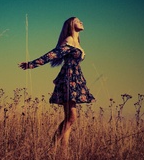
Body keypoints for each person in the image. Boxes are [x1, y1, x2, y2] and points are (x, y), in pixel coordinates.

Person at [18, 17, 95, 155]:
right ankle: (51, 148)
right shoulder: (68, 41)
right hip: (68, 79)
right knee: (72, 117)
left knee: (68, 119)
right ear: (71, 25)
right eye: (78, 20)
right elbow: (51, 55)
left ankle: (62, 153)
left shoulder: (77, 42)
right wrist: (32, 64)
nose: (82, 22)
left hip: (75, 79)